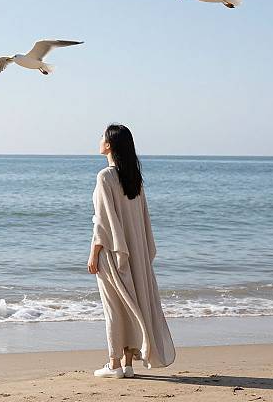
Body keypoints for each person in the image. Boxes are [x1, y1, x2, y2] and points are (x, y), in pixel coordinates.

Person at [88, 124, 175, 378]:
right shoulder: (134, 180)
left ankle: (114, 363)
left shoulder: (105, 177)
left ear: (110, 145)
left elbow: (103, 221)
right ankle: (127, 363)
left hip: (113, 252)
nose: (99, 140)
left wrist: (94, 253)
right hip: (134, 253)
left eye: (102, 136)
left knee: (114, 307)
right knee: (131, 303)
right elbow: (143, 221)